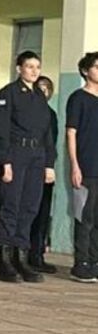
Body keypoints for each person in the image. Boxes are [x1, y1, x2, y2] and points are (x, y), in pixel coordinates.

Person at [0, 51, 55, 283]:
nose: (34, 71)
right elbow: (0, 130)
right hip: (16, 153)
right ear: (19, 68)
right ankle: (5, 261)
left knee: (30, 207)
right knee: (11, 205)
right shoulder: (8, 93)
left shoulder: (40, 96)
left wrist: (49, 163)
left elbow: (47, 133)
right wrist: (6, 161)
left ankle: (21, 256)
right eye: (29, 66)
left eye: (37, 66)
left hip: (37, 155)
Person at [66, 52, 98, 282]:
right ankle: (81, 263)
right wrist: (75, 165)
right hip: (86, 167)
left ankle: (95, 261)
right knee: (83, 217)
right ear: (86, 71)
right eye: (97, 66)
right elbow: (71, 132)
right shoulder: (78, 98)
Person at [28, 75, 58, 273]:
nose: (44, 91)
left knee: (42, 214)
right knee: (27, 211)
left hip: (45, 168)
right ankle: (23, 252)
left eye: (48, 88)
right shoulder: (27, 112)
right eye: (40, 87)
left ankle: (38, 253)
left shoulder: (51, 114)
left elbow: (51, 143)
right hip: (28, 167)